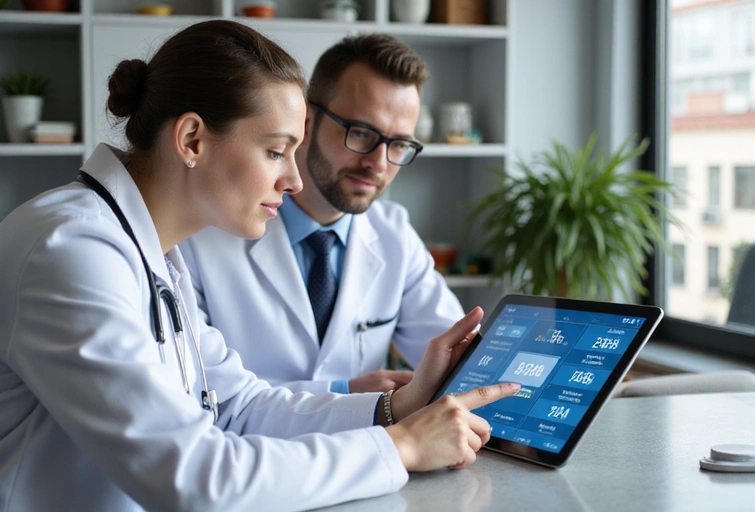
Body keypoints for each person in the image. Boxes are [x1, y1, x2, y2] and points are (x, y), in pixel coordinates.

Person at [0, 20, 520, 511]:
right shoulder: (70, 249)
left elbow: (238, 407)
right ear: (192, 139)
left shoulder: (151, 253)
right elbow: (195, 477)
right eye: (276, 152)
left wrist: (395, 409)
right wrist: (400, 446)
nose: (294, 181)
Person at [178, 33, 465, 395]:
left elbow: (460, 357)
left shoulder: (394, 234)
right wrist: (344, 394)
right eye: (361, 133)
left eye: (399, 144)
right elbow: (196, 388)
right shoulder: (201, 233)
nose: (378, 163)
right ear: (306, 121)